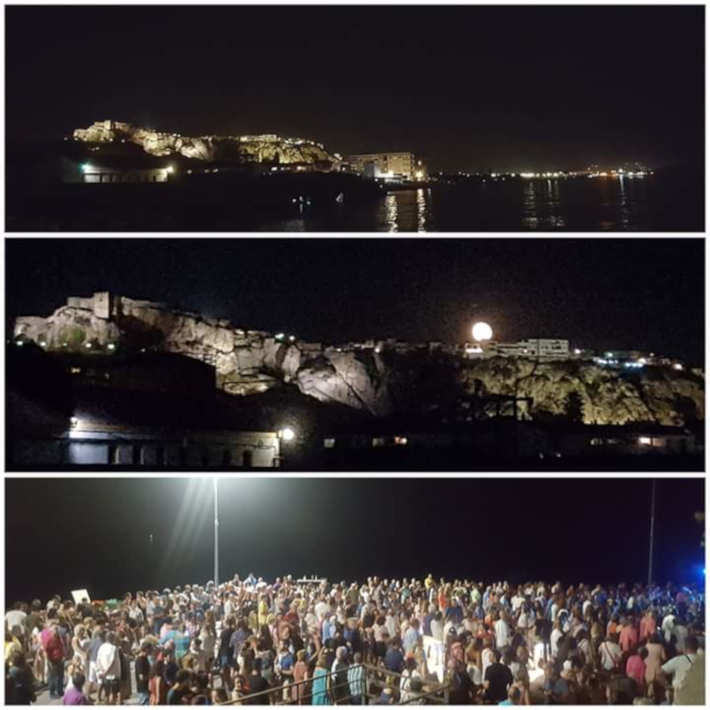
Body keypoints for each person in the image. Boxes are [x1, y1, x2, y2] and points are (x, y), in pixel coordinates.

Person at [661, 636, 701, 703]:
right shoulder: (702, 660)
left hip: (680, 695)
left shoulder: (678, 660)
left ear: (685, 647)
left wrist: (667, 686)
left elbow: (658, 672)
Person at [135, 639, 153, 705]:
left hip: (147, 687)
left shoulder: (145, 658)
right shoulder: (140, 660)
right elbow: (141, 677)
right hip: (143, 688)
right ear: (146, 649)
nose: (152, 651)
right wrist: (151, 675)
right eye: (150, 649)